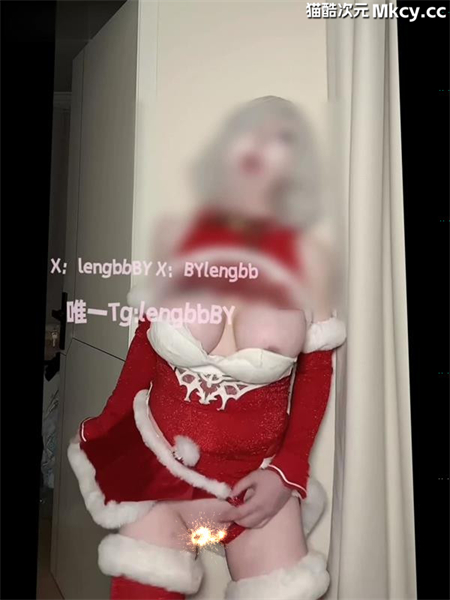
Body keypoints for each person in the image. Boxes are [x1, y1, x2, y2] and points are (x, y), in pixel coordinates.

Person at [68, 96, 346, 600]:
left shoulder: (311, 263)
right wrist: (108, 429)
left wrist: (288, 471)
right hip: (159, 477)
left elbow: (315, 374)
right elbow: (145, 348)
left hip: (256, 494)